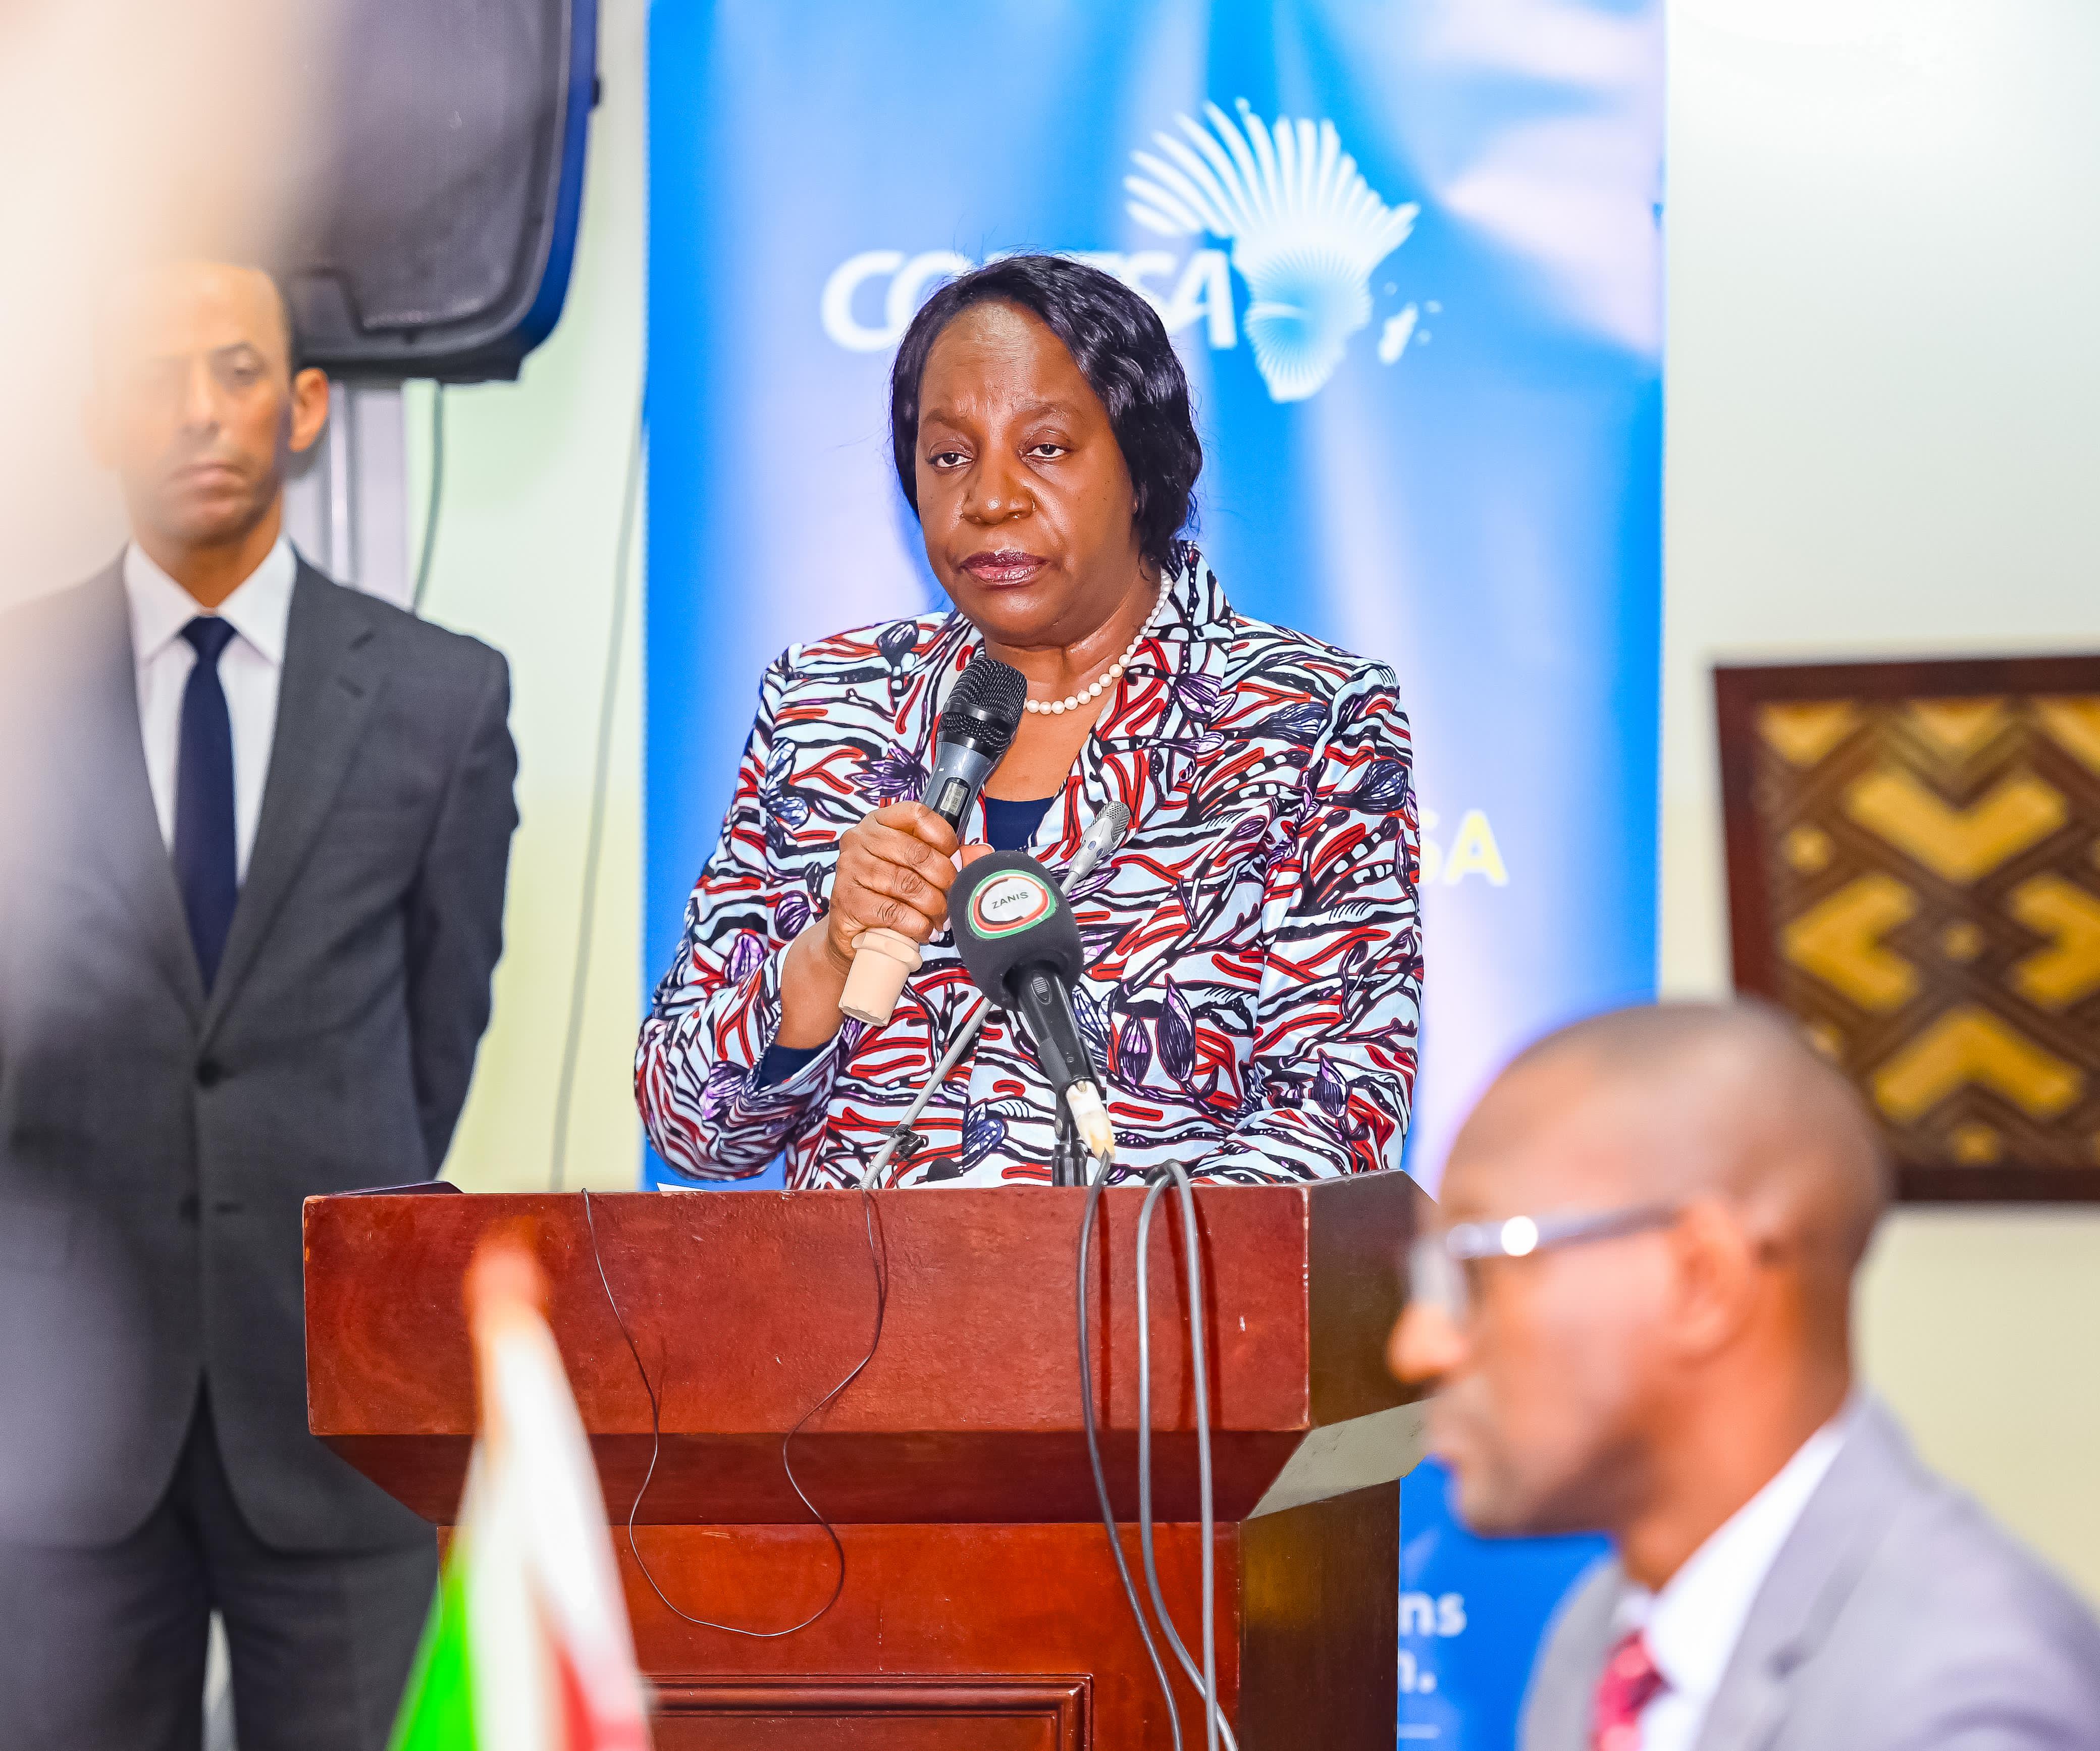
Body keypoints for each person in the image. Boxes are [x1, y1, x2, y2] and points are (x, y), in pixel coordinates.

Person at [0, 260, 518, 1749]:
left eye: (235, 370)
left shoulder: (440, 696)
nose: (197, 410)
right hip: (65, 1418)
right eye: (155, 375)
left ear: (302, 406)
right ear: (99, 417)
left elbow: (438, 1031)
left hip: (340, 1409)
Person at [637, 254, 1422, 1187]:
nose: (990, 498)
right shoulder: (827, 707)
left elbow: (1336, 1126)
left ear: (1142, 467)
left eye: (1045, 448)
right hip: (849, 1284)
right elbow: (690, 1128)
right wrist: (825, 954)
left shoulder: (1310, 719)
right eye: (949, 456)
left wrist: (1085, 1262)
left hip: (1151, 1281)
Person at [1390, 1001, 2100, 1751]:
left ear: (1703, 1279)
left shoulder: (1963, 1702)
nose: (1417, 1348)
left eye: (1474, 1269)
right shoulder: (1601, 1637)